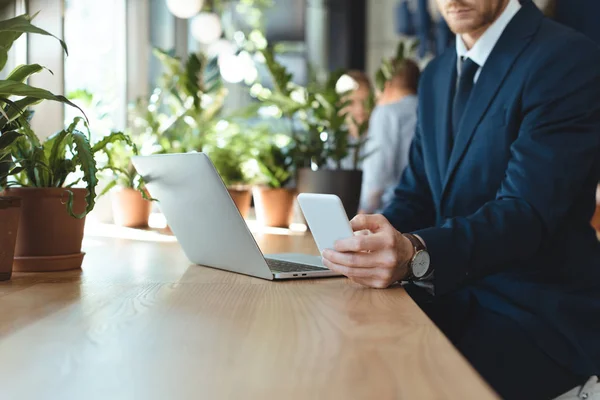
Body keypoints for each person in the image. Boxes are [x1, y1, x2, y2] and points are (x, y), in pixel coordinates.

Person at [322, 0, 600, 398]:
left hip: (534, 315)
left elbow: (525, 214)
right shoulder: (436, 74)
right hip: (451, 297)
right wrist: (367, 241)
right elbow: (416, 194)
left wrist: (415, 252)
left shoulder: (567, 58)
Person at [359, 59, 420, 214]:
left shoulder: (386, 113)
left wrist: (363, 210)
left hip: (390, 211)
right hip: (423, 212)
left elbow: (378, 170)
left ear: (387, 85)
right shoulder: (429, 109)